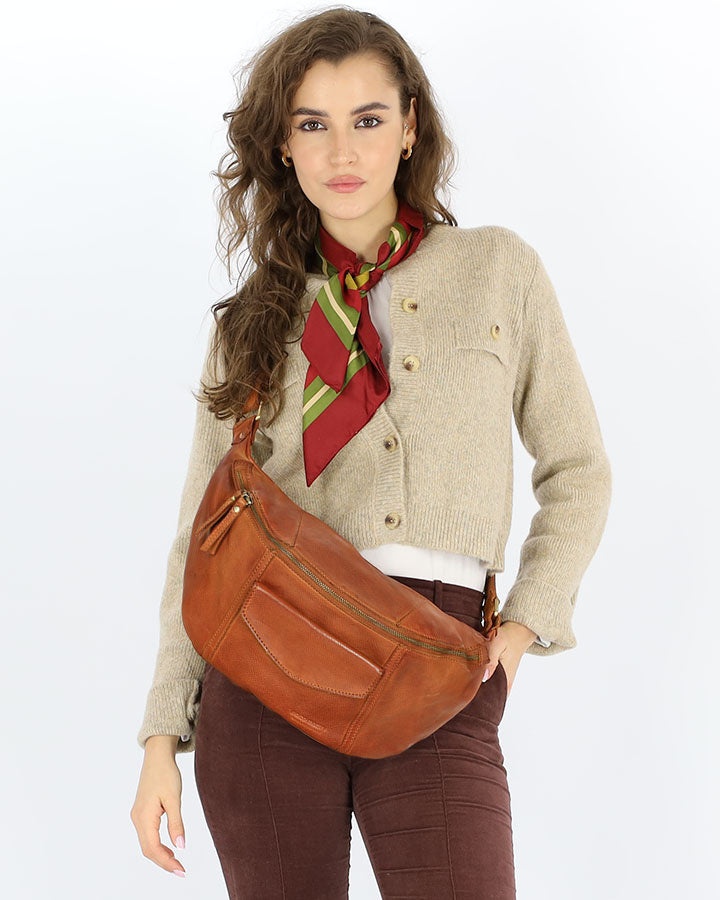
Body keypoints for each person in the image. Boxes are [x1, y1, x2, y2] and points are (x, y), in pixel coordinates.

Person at [130, 8, 612, 898]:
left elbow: (578, 469)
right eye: (313, 124)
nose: (342, 151)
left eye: (368, 119)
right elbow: (202, 532)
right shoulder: (250, 322)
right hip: (263, 675)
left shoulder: (497, 269)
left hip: (439, 670)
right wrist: (163, 734)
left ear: (410, 126)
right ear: (283, 145)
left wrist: (517, 632)